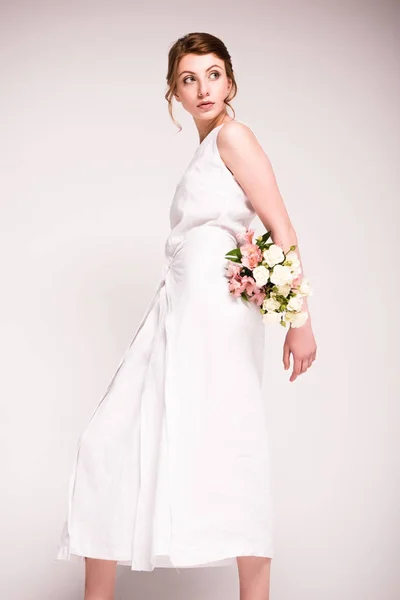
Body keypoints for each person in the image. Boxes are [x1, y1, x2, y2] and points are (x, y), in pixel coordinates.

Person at [56, 31, 317, 600]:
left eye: (214, 73)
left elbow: (282, 227)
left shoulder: (234, 137)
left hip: (215, 318)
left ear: (231, 80)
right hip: (178, 308)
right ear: (173, 92)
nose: (203, 88)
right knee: (108, 443)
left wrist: (299, 318)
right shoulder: (207, 149)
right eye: (188, 78)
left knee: (227, 436)